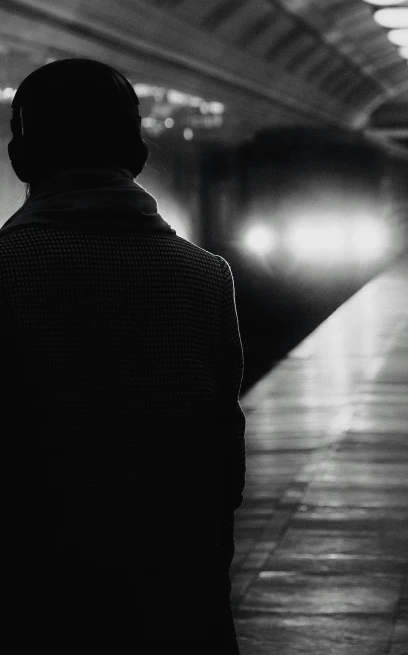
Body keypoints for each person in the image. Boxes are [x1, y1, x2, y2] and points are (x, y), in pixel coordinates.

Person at [0, 58, 245, 653]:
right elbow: (223, 457)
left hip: (33, 594)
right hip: (176, 593)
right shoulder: (206, 277)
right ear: (133, 151)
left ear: (24, 156)